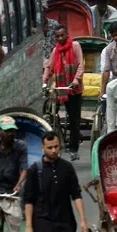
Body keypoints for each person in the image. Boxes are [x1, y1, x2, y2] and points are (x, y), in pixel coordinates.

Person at [22, 132, 87, 232]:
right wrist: (29, 226)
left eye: (56, 146)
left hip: (65, 222)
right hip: (43, 222)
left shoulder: (67, 167)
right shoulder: (35, 170)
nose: (53, 150)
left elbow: (76, 195)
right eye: (49, 147)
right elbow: (28, 200)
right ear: (42, 148)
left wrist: (83, 220)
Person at [42, 26, 84, 161]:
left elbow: (80, 64)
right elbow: (49, 67)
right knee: (52, 112)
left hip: (74, 89)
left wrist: (76, 80)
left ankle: (74, 148)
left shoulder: (75, 46)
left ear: (67, 34)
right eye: (57, 36)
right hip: (61, 88)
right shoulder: (56, 51)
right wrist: (44, 81)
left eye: (62, 35)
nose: (60, 38)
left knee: (74, 119)